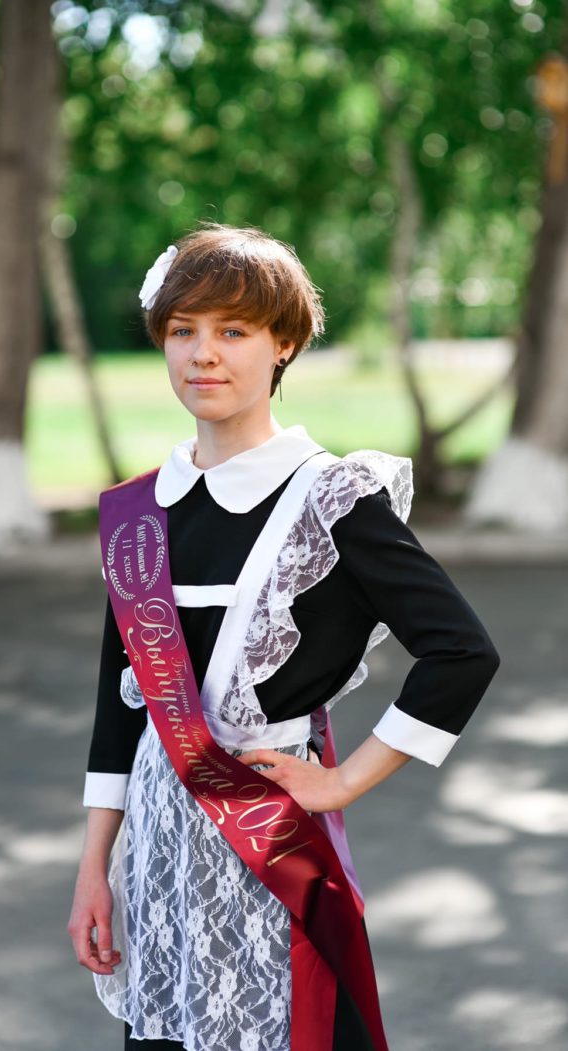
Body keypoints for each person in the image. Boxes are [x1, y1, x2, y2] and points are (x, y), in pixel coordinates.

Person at [67, 221, 501, 1051]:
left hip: (269, 846)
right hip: (158, 853)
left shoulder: (332, 498)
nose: (204, 354)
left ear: (285, 345)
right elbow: (119, 708)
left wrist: (343, 782)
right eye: (183, 330)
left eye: (234, 331)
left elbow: (462, 651)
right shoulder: (140, 510)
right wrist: (95, 866)